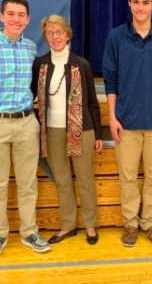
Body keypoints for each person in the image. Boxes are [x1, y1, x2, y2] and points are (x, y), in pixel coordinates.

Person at [0, 0, 51, 256]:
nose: (16, 19)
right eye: (11, 14)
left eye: (21, 15)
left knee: (28, 182)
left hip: (27, 123)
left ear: (27, 20)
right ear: (1, 16)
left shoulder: (30, 49)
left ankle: (29, 232)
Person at [102, 0, 152, 247]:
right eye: (135, 2)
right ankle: (131, 224)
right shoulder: (116, 37)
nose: (140, 7)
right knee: (128, 177)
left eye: (146, 2)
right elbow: (110, 80)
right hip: (126, 122)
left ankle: (149, 223)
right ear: (129, 3)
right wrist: (112, 116)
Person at [31, 15, 103, 246]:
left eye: (59, 32)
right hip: (51, 131)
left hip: (82, 129)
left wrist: (98, 134)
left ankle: (90, 224)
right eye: (50, 33)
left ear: (68, 34)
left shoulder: (81, 64)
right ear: (46, 37)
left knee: (85, 179)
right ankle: (68, 225)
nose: (55, 37)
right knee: (62, 179)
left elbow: (92, 102)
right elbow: (31, 95)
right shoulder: (40, 64)